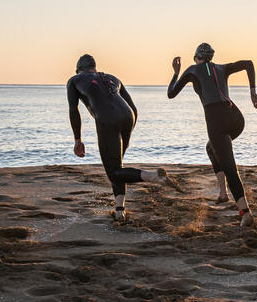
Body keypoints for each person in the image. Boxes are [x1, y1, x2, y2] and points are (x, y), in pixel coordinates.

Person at [67, 54, 180, 222]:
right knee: (118, 167)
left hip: (106, 119)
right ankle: (120, 210)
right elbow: (133, 108)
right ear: (94, 68)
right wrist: (127, 135)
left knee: (114, 173)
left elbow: (73, 110)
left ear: (79, 70)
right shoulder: (112, 78)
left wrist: (78, 140)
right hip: (128, 116)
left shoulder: (74, 80)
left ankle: (154, 177)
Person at [167, 43, 257, 227]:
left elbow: (171, 93)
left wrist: (176, 72)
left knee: (229, 167)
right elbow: (249, 63)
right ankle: (222, 193)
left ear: (196, 57)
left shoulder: (192, 70)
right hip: (236, 118)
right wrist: (252, 91)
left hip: (216, 120)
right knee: (211, 148)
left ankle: (245, 213)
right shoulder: (222, 67)